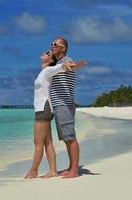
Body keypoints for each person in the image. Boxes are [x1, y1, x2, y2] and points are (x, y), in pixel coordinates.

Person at [25, 50, 86, 179]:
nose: (44, 52)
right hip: (43, 107)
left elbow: (61, 66)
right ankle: (53, 171)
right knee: (47, 142)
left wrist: (72, 66)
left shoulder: (48, 70)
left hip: (44, 107)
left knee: (38, 142)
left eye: (48, 53)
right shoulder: (44, 72)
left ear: (51, 60)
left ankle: (33, 171)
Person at [50, 37, 80, 178]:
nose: (52, 46)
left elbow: (70, 66)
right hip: (58, 104)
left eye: (55, 44)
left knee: (70, 137)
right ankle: (71, 166)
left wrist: (76, 66)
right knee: (66, 138)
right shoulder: (57, 63)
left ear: (63, 48)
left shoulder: (67, 60)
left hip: (64, 104)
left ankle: (74, 170)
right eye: (51, 44)